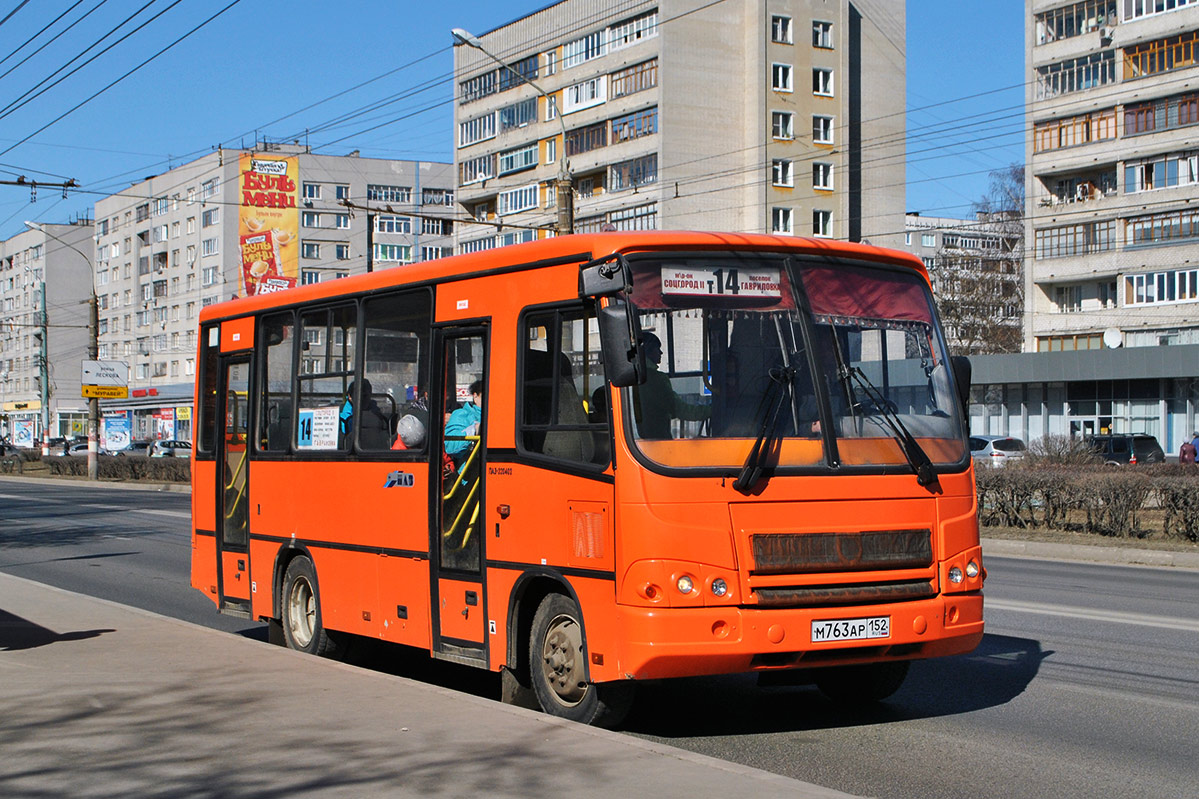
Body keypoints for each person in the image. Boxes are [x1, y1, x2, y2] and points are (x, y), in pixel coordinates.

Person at [633, 331, 710, 439]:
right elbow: (680, 410)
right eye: (657, 348)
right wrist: (711, 410)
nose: (661, 352)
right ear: (648, 351)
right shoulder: (656, 379)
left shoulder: (633, 376)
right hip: (658, 444)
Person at [340, 379, 389, 449]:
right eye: (358, 396)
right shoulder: (343, 418)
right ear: (350, 397)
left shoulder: (377, 415)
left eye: (366, 396)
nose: (362, 399)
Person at [445, 379, 483, 465]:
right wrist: (473, 431)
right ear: (475, 396)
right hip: (471, 474)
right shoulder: (461, 414)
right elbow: (449, 445)